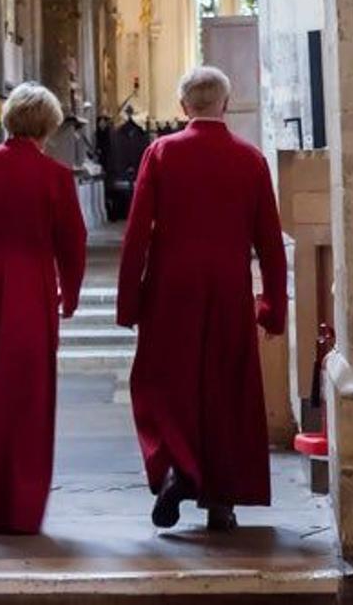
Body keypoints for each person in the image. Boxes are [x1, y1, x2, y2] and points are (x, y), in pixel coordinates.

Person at [116, 64, 287, 533]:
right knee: (225, 390)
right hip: (230, 288)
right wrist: (273, 307)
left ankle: (175, 467)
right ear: (225, 105)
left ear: (182, 107)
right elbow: (271, 244)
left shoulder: (162, 153)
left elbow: (136, 238)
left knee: (161, 384)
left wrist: (128, 302)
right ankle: (221, 502)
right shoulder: (251, 160)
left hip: (171, 287)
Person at [0, 80, 87, 534]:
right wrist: (72, 293)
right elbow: (73, 242)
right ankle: (20, 505)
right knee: (27, 395)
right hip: (32, 286)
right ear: (49, 126)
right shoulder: (56, 177)